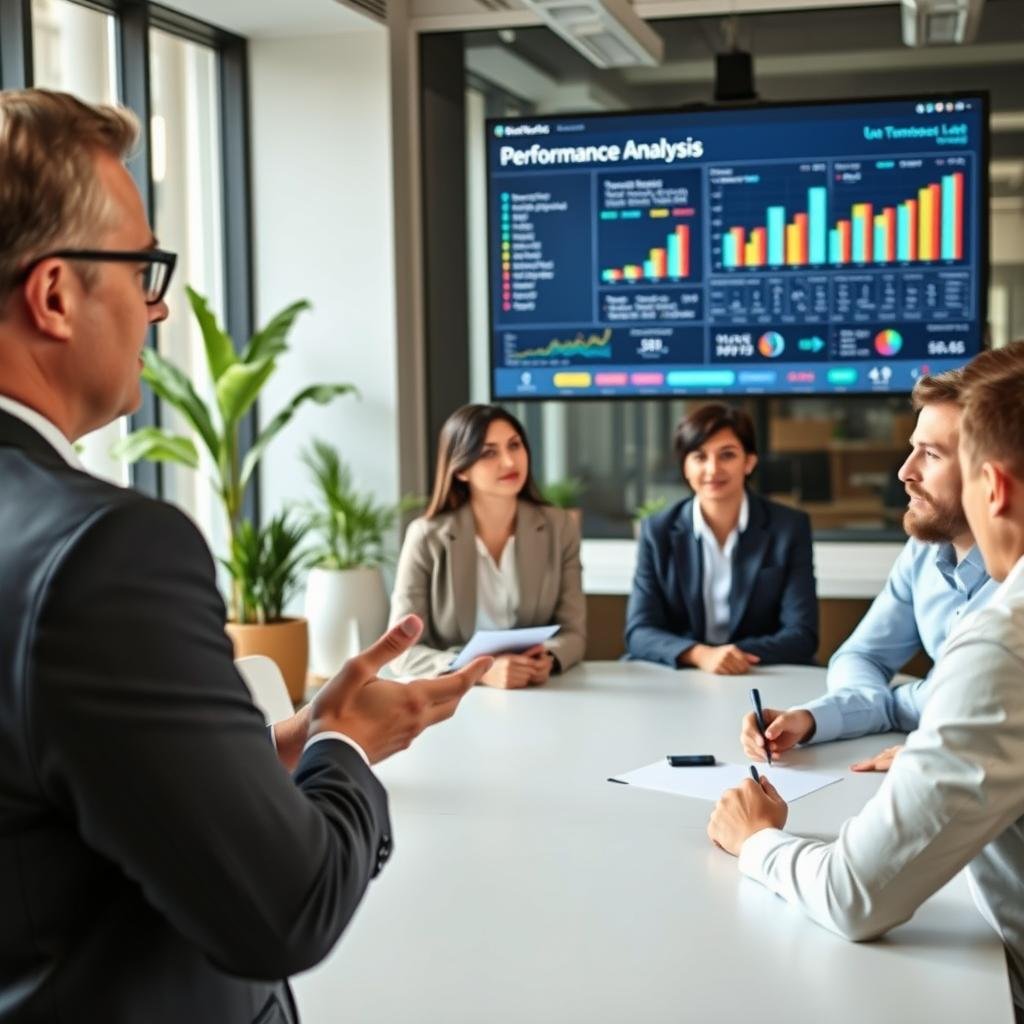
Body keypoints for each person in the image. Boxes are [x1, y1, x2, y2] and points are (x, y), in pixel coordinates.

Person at [0, 89, 491, 1022]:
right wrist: (348, 743)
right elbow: (286, 910)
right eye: (141, 269)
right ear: (56, 293)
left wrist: (264, 752)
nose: (156, 311)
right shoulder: (103, 552)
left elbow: (38, 797)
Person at [708, 342, 1024, 1021]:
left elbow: (855, 898)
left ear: (990, 488)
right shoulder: (952, 587)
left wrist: (756, 837)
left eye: (947, 462)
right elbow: (873, 665)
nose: (905, 472)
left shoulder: (1003, 641)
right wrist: (941, 732)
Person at [740, 369, 997, 768]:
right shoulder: (923, 553)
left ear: (992, 475)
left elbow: (960, 709)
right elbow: (861, 657)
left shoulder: (1012, 586)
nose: (905, 472)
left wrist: (884, 706)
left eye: (931, 454)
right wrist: (812, 719)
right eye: (914, 449)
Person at [389, 403, 585, 685]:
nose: (508, 461)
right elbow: (401, 650)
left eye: (514, 445)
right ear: (460, 470)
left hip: (537, 692)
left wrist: (549, 657)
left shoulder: (558, 526)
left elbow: (574, 633)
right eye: (488, 452)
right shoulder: (426, 536)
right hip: (454, 698)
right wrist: (474, 670)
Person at [625, 403, 818, 674]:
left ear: (749, 461)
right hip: (683, 674)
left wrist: (730, 657)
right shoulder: (657, 531)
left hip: (760, 672)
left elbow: (802, 634)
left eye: (727, 455)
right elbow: (639, 632)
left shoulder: (789, 528)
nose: (713, 470)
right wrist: (700, 655)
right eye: (699, 457)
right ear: (685, 466)